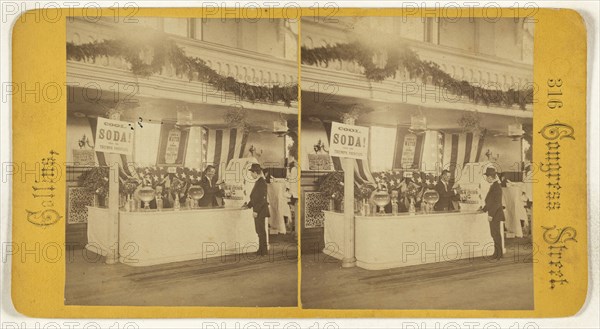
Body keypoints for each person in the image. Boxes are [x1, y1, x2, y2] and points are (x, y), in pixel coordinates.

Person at [245, 163, 270, 256]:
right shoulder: (259, 181)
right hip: (259, 210)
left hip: (260, 211)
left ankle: (263, 251)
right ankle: (261, 250)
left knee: (261, 231)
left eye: (251, 172)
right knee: (259, 230)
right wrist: (248, 205)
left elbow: (262, 199)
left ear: (255, 172)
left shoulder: (261, 182)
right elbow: (255, 197)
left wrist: (256, 211)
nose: (251, 175)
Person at [482, 167, 506, 259]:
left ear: (490, 177)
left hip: (495, 214)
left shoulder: (496, 187)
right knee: (495, 234)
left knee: (495, 234)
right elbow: (490, 201)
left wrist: (491, 215)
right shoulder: (494, 185)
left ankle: (498, 254)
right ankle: (497, 254)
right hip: (494, 214)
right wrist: (483, 209)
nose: (486, 179)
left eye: (487, 177)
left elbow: (497, 203)